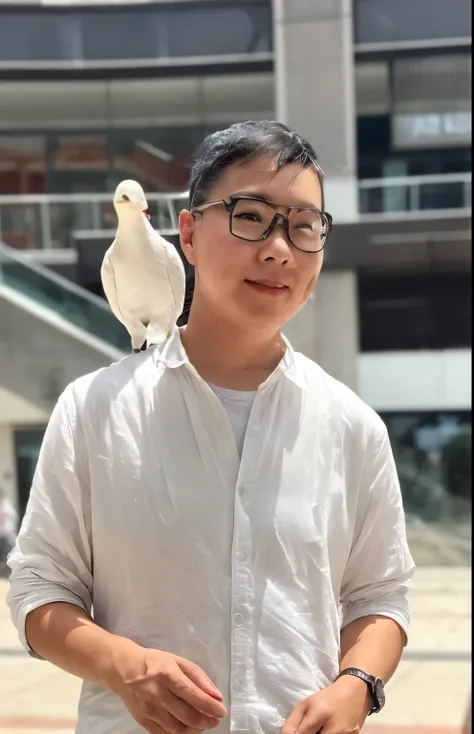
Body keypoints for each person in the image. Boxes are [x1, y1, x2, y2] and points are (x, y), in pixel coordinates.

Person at [7, 120, 415, 734]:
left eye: (304, 226)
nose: (280, 248)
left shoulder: (351, 427)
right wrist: (124, 666)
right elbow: (38, 590)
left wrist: (358, 687)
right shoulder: (95, 408)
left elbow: (380, 597)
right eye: (251, 216)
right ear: (190, 234)